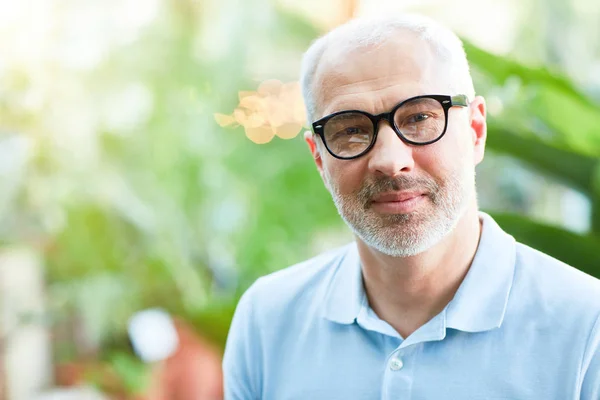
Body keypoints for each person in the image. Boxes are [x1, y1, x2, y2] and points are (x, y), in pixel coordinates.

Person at [223, 13, 600, 399]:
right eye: (350, 130)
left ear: (475, 131)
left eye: (420, 117)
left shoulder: (587, 327)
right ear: (319, 157)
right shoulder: (267, 322)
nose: (390, 159)